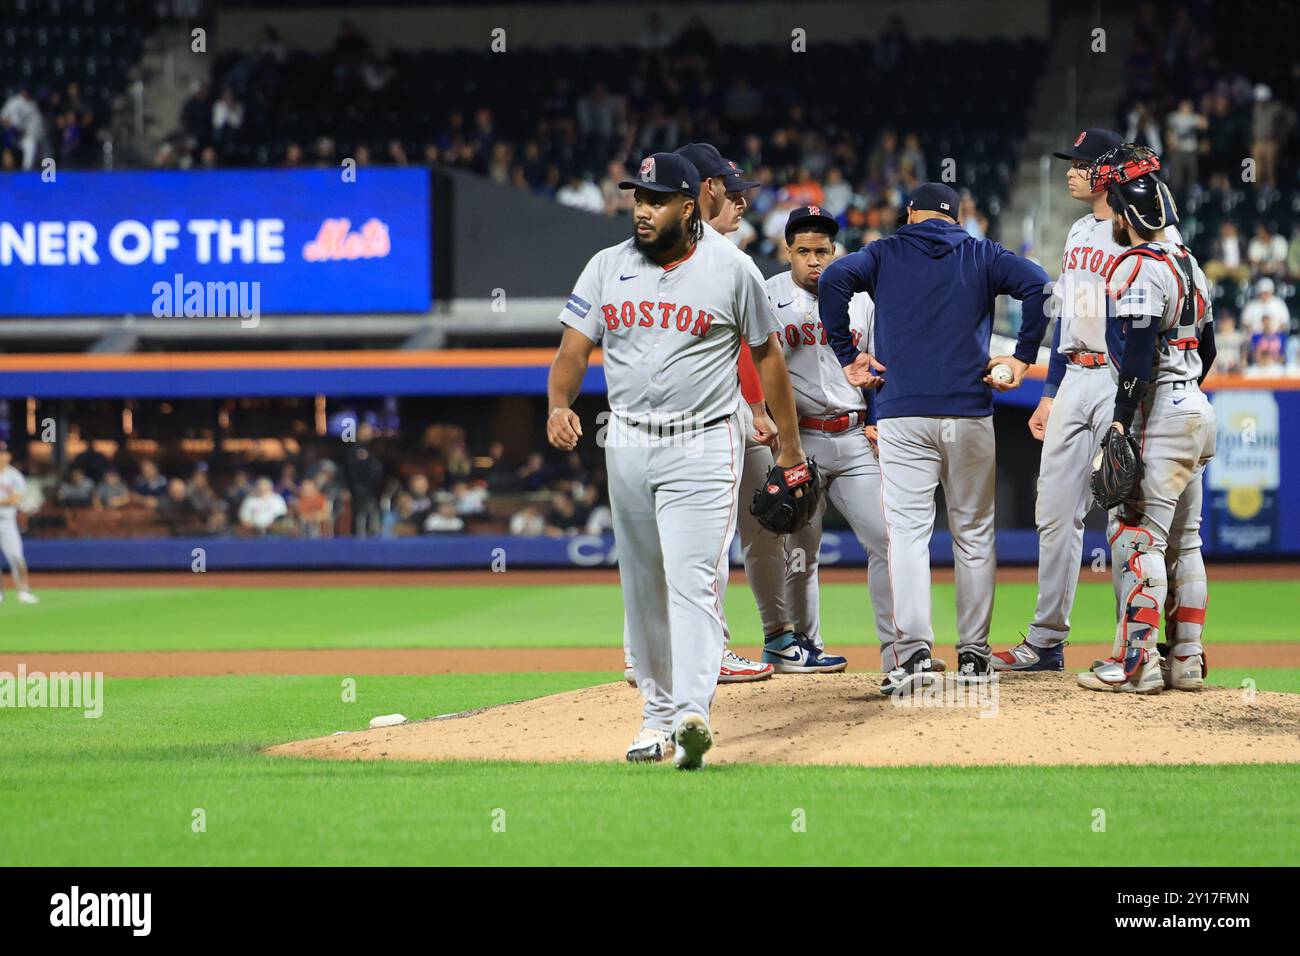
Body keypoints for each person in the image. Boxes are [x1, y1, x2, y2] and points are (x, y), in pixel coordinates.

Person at [546, 151, 807, 769]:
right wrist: (559, 403)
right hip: (628, 439)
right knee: (640, 584)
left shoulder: (732, 269)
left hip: (703, 442)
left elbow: (768, 358)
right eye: (638, 197)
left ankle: (692, 712)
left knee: (691, 580)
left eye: (656, 199)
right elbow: (574, 348)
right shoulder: (607, 266)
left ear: (689, 207)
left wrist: (790, 445)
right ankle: (655, 718)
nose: (642, 209)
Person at [819, 182, 1050, 692]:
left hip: (903, 414)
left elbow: (833, 278)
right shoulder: (982, 253)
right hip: (969, 411)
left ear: (910, 214)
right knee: (973, 536)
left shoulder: (883, 252)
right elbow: (1039, 286)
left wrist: (846, 354)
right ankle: (973, 656)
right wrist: (1022, 356)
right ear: (957, 216)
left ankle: (914, 655)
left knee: (906, 534)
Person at [992, 128, 1163, 671]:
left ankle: (1130, 645)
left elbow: (1141, 319)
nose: (1071, 169)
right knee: (1054, 511)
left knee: (1121, 513)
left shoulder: (1132, 228)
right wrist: (1048, 392)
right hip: (1073, 377)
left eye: (1082, 162)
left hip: (1116, 379)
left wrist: (1129, 395)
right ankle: (1046, 641)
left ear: (1107, 173)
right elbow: (1065, 315)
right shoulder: (1075, 232)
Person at [1077, 144, 1216, 694]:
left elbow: (1135, 355)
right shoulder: (1190, 263)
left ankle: (1137, 665)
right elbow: (1207, 352)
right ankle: (1186, 659)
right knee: (1187, 543)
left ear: (1129, 211)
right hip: (1197, 408)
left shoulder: (1138, 266)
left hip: (1160, 411)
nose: (1108, 212)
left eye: (1112, 203)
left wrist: (1118, 421)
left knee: (1138, 538)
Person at [763, 206, 891, 672]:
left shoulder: (860, 299)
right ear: (787, 252)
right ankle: (804, 646)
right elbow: (758, 369)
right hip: (801, 440)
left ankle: (900, 652)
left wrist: (877, 419)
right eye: (804, 251)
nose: (814, 260)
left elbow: (878, 364)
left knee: (887, 538)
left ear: (834, 251)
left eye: (822, 250)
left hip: (854, 435)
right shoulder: (767, 296)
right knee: (800, 549)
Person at [0, 443, 38, 603]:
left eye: (4, 453)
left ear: (9, 456)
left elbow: (15, 499)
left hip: (7, 521)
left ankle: (23, 591)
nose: (2, 456)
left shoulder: (14, 476)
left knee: (17, 557)